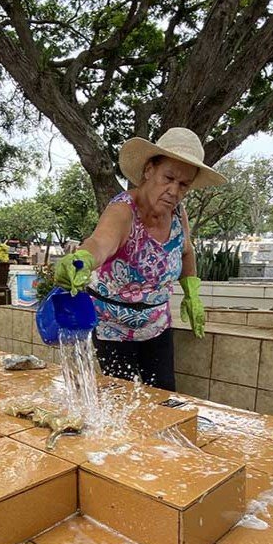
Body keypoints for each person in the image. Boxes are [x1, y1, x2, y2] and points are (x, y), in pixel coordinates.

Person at [54, 127, 226, 391]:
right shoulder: (123, 210)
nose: (173, 190)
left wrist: (192, 293)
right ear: (149, 171)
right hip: (113, 328)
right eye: (168, 177)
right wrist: (84, 260)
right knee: (121, 400)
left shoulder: (179, 214)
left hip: (156, 325)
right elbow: (101, 242)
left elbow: (186, 250)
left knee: (164, 397)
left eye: (183, 185)